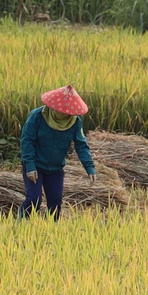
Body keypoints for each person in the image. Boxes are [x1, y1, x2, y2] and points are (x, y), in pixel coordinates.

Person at [19, 86, 95, 219]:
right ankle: (19, 225)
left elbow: (81, 145)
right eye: (62, 111)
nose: (65, 114)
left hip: (55, 168)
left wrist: (89, 167)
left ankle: (52, 231)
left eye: (68, 112)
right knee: (34, 200)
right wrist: (30, 165)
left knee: (55, 205)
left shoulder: (75, 122)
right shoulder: (37, 116)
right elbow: (27, 141)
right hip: (35, 166)